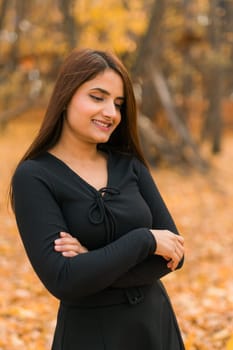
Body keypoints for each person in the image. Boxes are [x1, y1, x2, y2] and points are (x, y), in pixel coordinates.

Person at [10, 48, 185, 350]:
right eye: (97, 97)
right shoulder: (33, 177)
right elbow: (63, 280)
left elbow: (174, 254)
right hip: (89, 335)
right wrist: (143, 241)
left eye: (118, 103)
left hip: (154, 327)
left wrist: (91, 261)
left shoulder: (129, 164)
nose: (111, 113)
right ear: (66, 96)